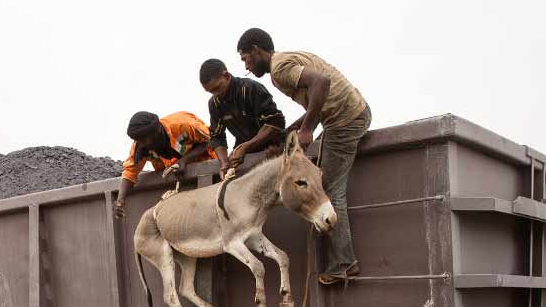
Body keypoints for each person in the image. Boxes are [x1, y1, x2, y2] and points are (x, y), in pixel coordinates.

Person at [236, 27, 371, 285]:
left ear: (256, 50)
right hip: (355, 111)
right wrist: (292, 130)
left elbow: (322, 83)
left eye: (246, 59)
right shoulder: (288, 59)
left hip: (345, 121)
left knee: (327, 190)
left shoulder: (279, 70)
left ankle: (343, 264)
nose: (247, 67)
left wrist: (308, 129)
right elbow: (317, 100)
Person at [114, 111, 215, 219]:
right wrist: (120, 200)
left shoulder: (182, 126)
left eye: (143, 140)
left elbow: (210, 139)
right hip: (180, 181)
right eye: (137, 141)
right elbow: (130, 173)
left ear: (156, 132)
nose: (141, 144)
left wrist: (184, 160)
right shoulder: (141, 147)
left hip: (208, 172)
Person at [199, 58, 285, 179]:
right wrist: (224, 162)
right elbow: (217, 136)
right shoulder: (214, 103)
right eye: (210, 92)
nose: (215, 94)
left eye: (217, 88)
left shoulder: (250, 88)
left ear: (226, 76)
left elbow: (276, 122)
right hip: (244, 152)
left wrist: (247, 146)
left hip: (275, 148)